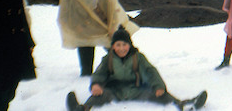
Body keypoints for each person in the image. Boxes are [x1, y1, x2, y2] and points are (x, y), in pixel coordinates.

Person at [66, 26, 207, 111]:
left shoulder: (138, 57)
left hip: (137, 89)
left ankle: (183, 105)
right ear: (113, 46)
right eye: (118, 45)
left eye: (124, 45)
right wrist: (96, 85)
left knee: (159, 94)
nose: (121, 48)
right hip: (114, 90)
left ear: (130, 45)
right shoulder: (108, 59)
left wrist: (158, 86)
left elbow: (150, 71)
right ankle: (82, 108)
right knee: (98, 96)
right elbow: (100, 73)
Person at [58, 0, 140, 76]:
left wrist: (112, 25)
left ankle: (132, 70)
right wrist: (74, 26)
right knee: (86, 70)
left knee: (119, 50)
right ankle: (85, 84)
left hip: (103, 23)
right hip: (83, 27)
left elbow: (110, 3)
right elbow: (66, 9)